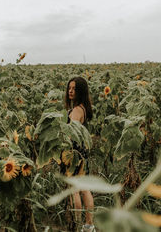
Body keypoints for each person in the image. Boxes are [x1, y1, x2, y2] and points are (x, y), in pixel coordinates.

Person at [62, 76, 95, 232]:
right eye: (69, 87)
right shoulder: (83, 108)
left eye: (74, 88)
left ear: (80, 91)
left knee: (75, 189)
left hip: (74, 153)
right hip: (82, 152)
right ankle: (89, 226)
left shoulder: (76, 110)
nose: (70, 91)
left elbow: (71, 134)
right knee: (84, 189)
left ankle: (76, 224)